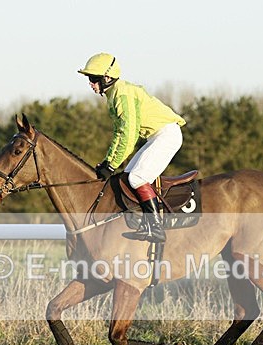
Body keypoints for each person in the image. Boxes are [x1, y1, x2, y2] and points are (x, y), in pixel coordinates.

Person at [78, 53, 186, 243]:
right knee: (127, 177)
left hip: (167, 135)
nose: (91, 83)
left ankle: (156, 228)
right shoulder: (114, 95)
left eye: (93, 79)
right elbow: (119, 134)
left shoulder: (123, 94)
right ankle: (146, 223)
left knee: (136, 178)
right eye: (89, 79)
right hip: (156, 136)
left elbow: (129, 134)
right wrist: (108, 161)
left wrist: (111, 165)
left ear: (107, 78)